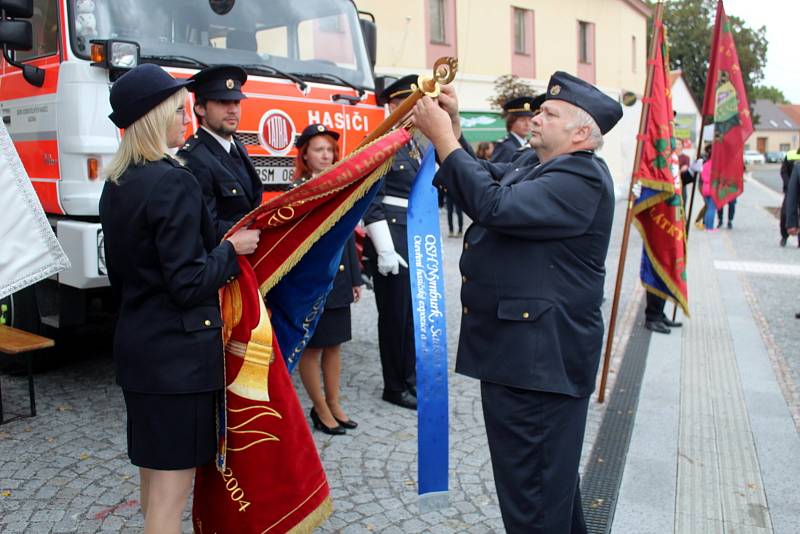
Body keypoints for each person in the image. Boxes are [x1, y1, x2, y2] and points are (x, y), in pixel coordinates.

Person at [412, 71, 622, 533]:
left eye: (550, 113)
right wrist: (456, 131)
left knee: (534, 504)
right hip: (524, 360)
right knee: (551, 497)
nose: (536, 117)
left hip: (539, 369)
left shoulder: (580, 177)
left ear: (581, 133)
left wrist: (443, 137)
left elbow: (493, 206)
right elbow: (485, 177)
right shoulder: (540, 165)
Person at [99, 64, 260, 534]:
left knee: (153, 484)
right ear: (156, 118)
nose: (184, 120)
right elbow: (188, 281)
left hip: (141, 349)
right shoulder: (174, 180)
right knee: (170, 502)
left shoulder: (118, 181)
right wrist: (232, 250)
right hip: (178, 362)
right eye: (178, 111)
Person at [292, 124, 363, 435]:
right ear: (305, 155)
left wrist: (357, 278)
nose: (325, 155)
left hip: (340, 279)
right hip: (312, 284)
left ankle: (334, 403)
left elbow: (348, 239)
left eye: (330, 150)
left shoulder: (340, 186)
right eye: (318, 149)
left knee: (335, 346)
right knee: (312, 348)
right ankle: (319, 407)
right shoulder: (298, 192)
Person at [363, 74, 421, 410]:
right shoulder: (382, 143)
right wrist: (384, 248)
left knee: (412, 316)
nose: (416, 110)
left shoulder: (414, 144)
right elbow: (371, 200)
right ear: (393, 107)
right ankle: (394, 386)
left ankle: (409, 379)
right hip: (392, 241)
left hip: (412, 237)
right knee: (395, 317)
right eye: (408, 104)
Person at [178, 65, 263, 240]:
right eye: (222, 102)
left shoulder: (238, 146)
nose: (232, 109)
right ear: (200, 108)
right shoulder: (193, 158)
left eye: (236, 102)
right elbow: (206, 227)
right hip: (224, 259)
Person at [491, 94, 544, 163]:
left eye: (530, 120)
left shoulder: (528, 143)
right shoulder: (505, 146)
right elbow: (496, 171)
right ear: (511, 122)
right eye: (522, 120)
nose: (527, 124)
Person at [780, 147, 800, 246]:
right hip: (791, 189)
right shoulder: (791, 154)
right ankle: (784, 236)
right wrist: (790, 184)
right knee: (785, 213)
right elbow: (783, 171)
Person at [700, 146, 717, 231]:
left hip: (705, 188)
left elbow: (703, 177)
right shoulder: (716, 165)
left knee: (708, 208)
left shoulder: (705, 164)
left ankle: (706, 226)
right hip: (712, 189)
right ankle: (710, 228)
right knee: (711, 209)